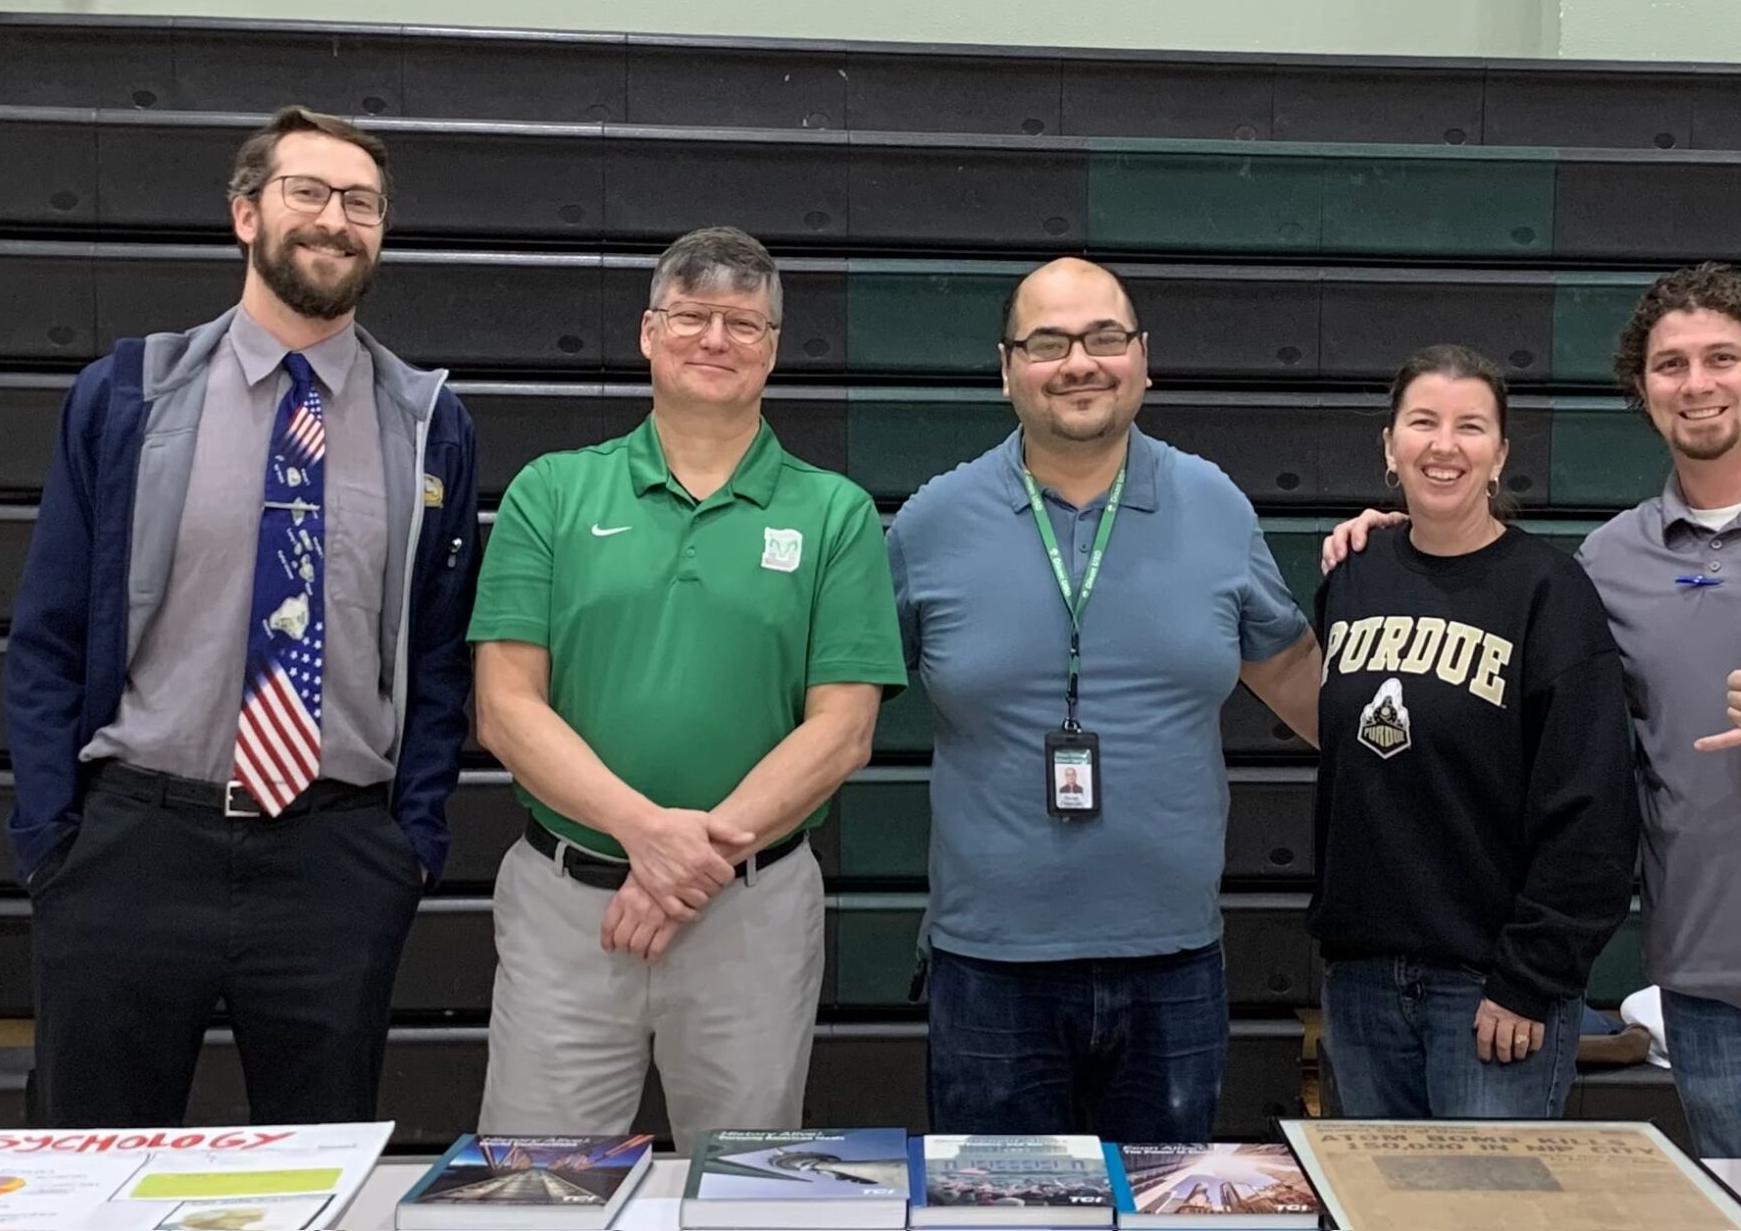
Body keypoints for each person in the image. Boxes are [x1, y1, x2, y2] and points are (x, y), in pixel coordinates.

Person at [1324, 263, 1741, 1157]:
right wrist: (1388, 544)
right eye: (1670, 364)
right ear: (1642, 392)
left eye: (1720, 358)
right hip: (1711, 1000)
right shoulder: (1608, 564)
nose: (1696, 383)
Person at [5, 106, 480, 1126]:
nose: (334, 219)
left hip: (335, 859)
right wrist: (55, 837)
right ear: (244, 213)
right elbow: (46, 629)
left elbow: (440, 657)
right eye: (306, 191)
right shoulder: (129, 395)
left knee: (317, 1172)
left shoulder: (429, 423)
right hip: (133, 846)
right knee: (96, 1172)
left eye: (361, 202)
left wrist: (411, 846)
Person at [470, 226, 905, 1152]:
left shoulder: (835, 513)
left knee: (747, 1190)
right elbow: (505, 708)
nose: (716, 339)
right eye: (692, 316)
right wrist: (645, 833)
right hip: (567, 911)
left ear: (774, 348)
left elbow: (843, 732)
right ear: (647, 332)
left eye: (744, 323)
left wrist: (681, 868)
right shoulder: (551, 493)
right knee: (538, 1194)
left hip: (751, 913)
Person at [887, 257, 1324, 1141]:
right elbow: (838, 711)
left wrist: (1408, 571)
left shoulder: (1216, 506)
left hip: (1172, 965)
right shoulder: (930, 524)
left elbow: (1309, 693)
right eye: (1047, 342)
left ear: (1143, 358)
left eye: (1104, 337)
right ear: (1007, 367)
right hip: (990, 972)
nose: (1079, 361)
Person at [1309, 344, 1638, 1119]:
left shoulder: (1551, 592)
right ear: (1390, 446)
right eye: (1423, 422)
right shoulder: (1351, 575)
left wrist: (1529, 979)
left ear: (1500, 455)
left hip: (1492, 990)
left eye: (1471, 427)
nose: (1444, 445)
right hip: (1361, 981)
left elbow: (1593, 809)